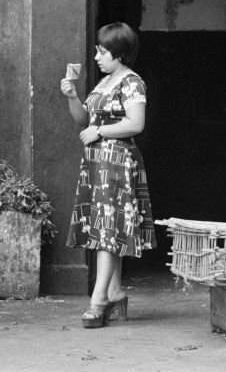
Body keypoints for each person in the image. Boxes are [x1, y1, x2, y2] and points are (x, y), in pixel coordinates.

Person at [59, 21, 155, 328]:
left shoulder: (131, 83)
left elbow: (136, 123)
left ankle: (98, 300)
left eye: (103, 52)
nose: (98, 57)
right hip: (98, 164)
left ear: (120, 54)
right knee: (107, 230)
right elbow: (82, 120)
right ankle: (114, 291)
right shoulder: (104, 83)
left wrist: (99, 130)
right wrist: (73, 96)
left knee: (107, 233)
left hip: (117, 163)